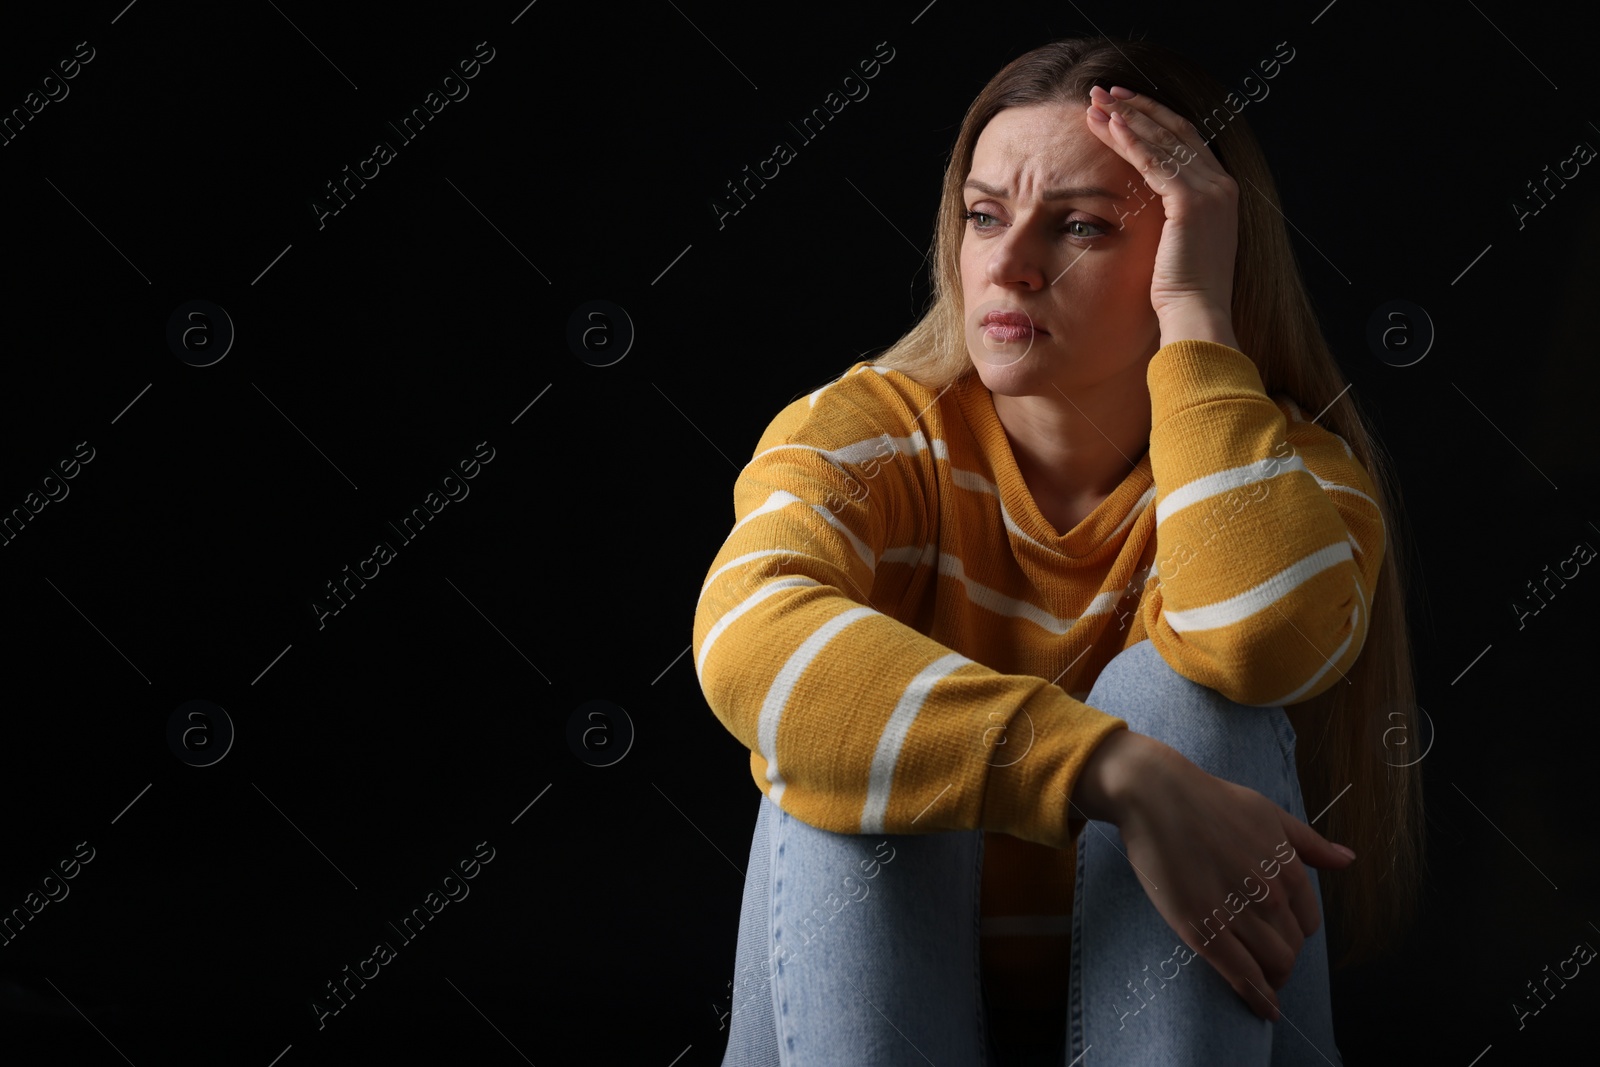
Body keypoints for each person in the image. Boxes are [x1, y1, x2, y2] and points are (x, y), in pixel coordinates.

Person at [695, 34, 1425, 1067]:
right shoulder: (862, 433)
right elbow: (745, 640)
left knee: (1188, 703)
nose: (1009, 263)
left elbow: (1260, 644)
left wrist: (1196, 322)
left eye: (1078, 225)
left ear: (1192, 245)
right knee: (849, 736)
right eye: (984, 214)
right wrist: (1109, 768)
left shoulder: (1290, 475)